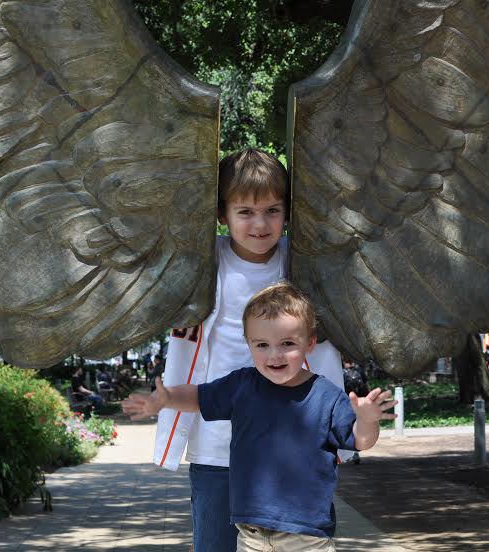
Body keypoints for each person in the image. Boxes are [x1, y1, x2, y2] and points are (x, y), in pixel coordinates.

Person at [153, 149, 346, 552]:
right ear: (222, 214)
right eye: (245, 212)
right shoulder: (201, 263)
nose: (260, 224)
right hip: (216, 445)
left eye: (273, 211)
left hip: (291, 445)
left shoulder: (306, 264)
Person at [124, 283, 396, 550]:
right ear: (249, 344)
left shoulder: (326, 395)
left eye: (287, 343)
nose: (274, 354)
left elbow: (361, 441)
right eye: (262, 344)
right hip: (251, 535)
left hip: (305, 537)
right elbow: (199, 396)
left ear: (309, 343)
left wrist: (367, 420)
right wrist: (166, 399)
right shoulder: (242, 385)